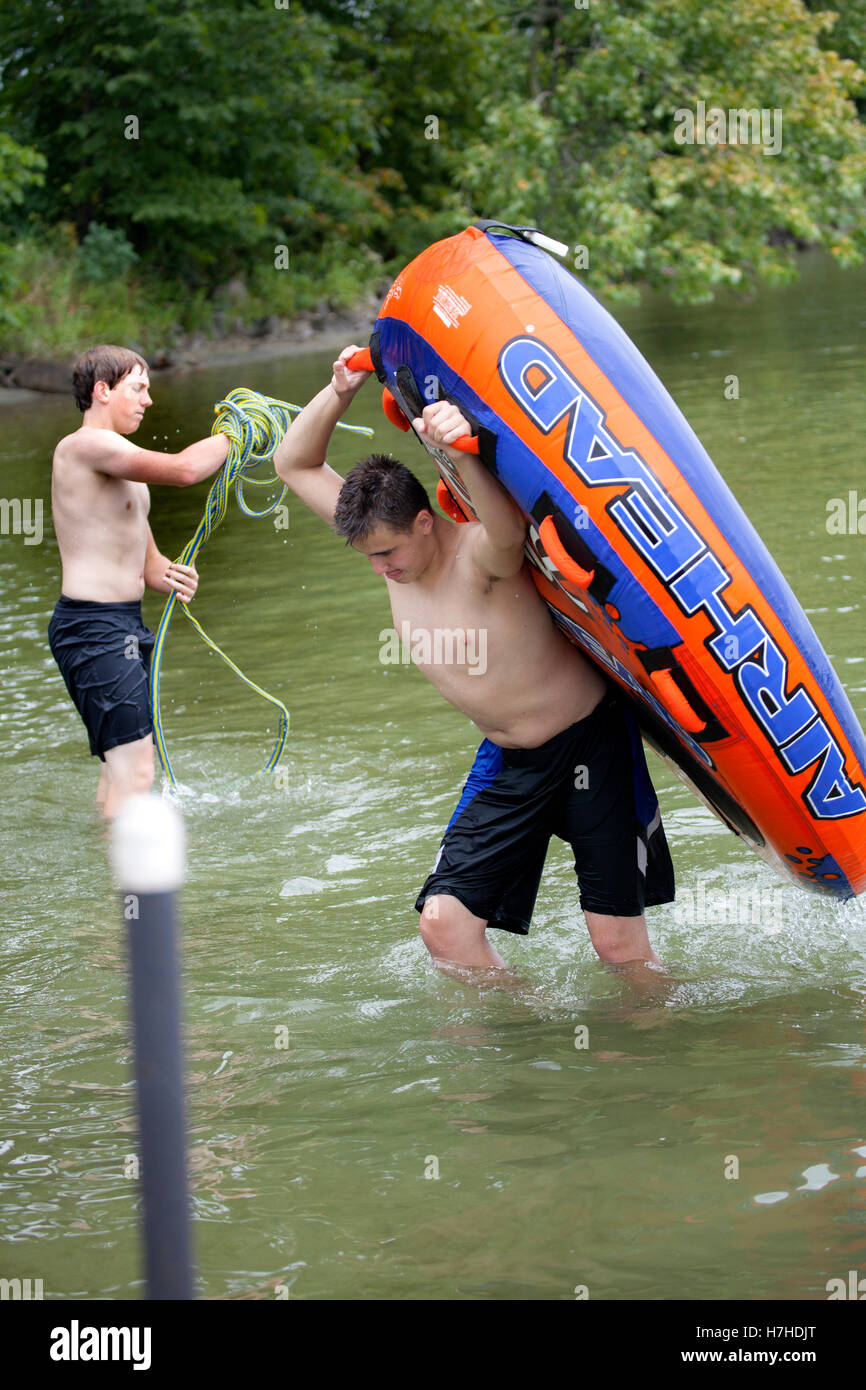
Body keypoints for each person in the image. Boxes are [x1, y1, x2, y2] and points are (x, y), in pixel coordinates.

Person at [273, 347, 675, 975]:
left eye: (388, 553)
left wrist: (460, 448)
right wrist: (339, 390)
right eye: (370, 559)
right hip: (509, 761)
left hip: (592, 743)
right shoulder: (382, 545)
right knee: (444, 926)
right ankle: (527, 1045)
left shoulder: (479, 557)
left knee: (617, 946)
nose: (382, 569)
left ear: (426, 523)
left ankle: (654, 1050)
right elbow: (293, 462)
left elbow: (511, 534)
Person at [49, 344, 231, 817]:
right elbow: (186, 469)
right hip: (92, 628)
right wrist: (239, 432)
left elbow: (147, 566)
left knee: (119, 769)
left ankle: (104, 868)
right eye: (138, 388)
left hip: (121, 625)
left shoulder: (125, 467)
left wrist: (172, 575)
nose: (148, 400)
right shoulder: (84, 446)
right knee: (137, 773)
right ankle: (129, 884)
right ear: (102, 391)